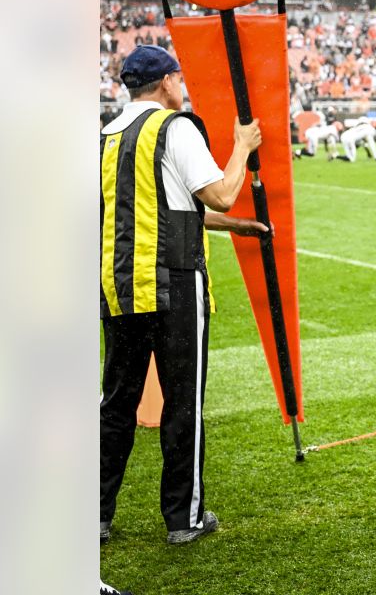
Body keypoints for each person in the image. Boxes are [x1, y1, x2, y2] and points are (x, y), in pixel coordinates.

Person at [100, 45, 262, 545]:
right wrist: (242, 147)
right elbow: (218, 192)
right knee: (182, 402)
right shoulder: (176, 127)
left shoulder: (105, 134)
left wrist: (236, 227)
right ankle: (182, 518)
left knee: (116, 403)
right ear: (168, 82)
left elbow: (168, 206)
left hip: (117, 284)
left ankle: (95, 514)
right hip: (174, 282)